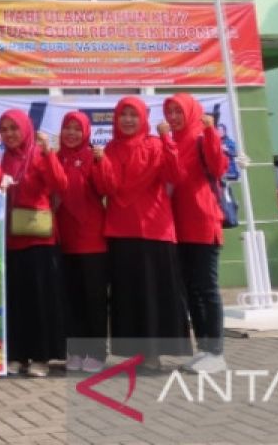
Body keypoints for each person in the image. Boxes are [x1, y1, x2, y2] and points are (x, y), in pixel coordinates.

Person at [93, 97, 191, 371]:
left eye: (133, 115)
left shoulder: (156, 144)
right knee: (128, 295)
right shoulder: (109, 149)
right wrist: (100, 163)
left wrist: (167, 139)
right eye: (122, 114)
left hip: (154, 229)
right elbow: (105, 188)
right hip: (120, 230)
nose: (127, 120)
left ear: (142, 118)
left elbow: (177, 175)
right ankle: (135, 353)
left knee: (154, 294)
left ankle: (155, 354)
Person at [164, 93, 230, 373]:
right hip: (178, 226)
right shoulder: (171, 141)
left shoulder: (203, 136)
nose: (175, 117)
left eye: (179, 111)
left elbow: (219, 167)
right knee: (190, 290)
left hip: (203, 222)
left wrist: (212, 132)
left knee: (206, 288)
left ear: (191, 111)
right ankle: (204, 349)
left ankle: (216, 352)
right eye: (170, 112)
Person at [0, 109, 67, 378]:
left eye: (13, 128)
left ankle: (40, 357)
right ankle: (16, 355)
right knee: (17, 301)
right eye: (3, 129)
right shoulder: (2, 157)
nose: (9, 134)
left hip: (39, 238)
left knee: (40, 301)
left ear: (26, 129)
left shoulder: (39, 154)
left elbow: (60, 183)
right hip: (12, 238)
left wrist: (49, 152)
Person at [55, 112, 110, 374]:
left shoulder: (93, 156)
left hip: (92, 240)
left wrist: (101, 163)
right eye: (68, 128)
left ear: (86, 132)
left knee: (94, 300)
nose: (72, 133)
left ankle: (97, 352)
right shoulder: (55, 158)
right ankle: (75, 351)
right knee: (71, 300)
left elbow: (104, 188)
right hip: (64, 239)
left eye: (78, 128)